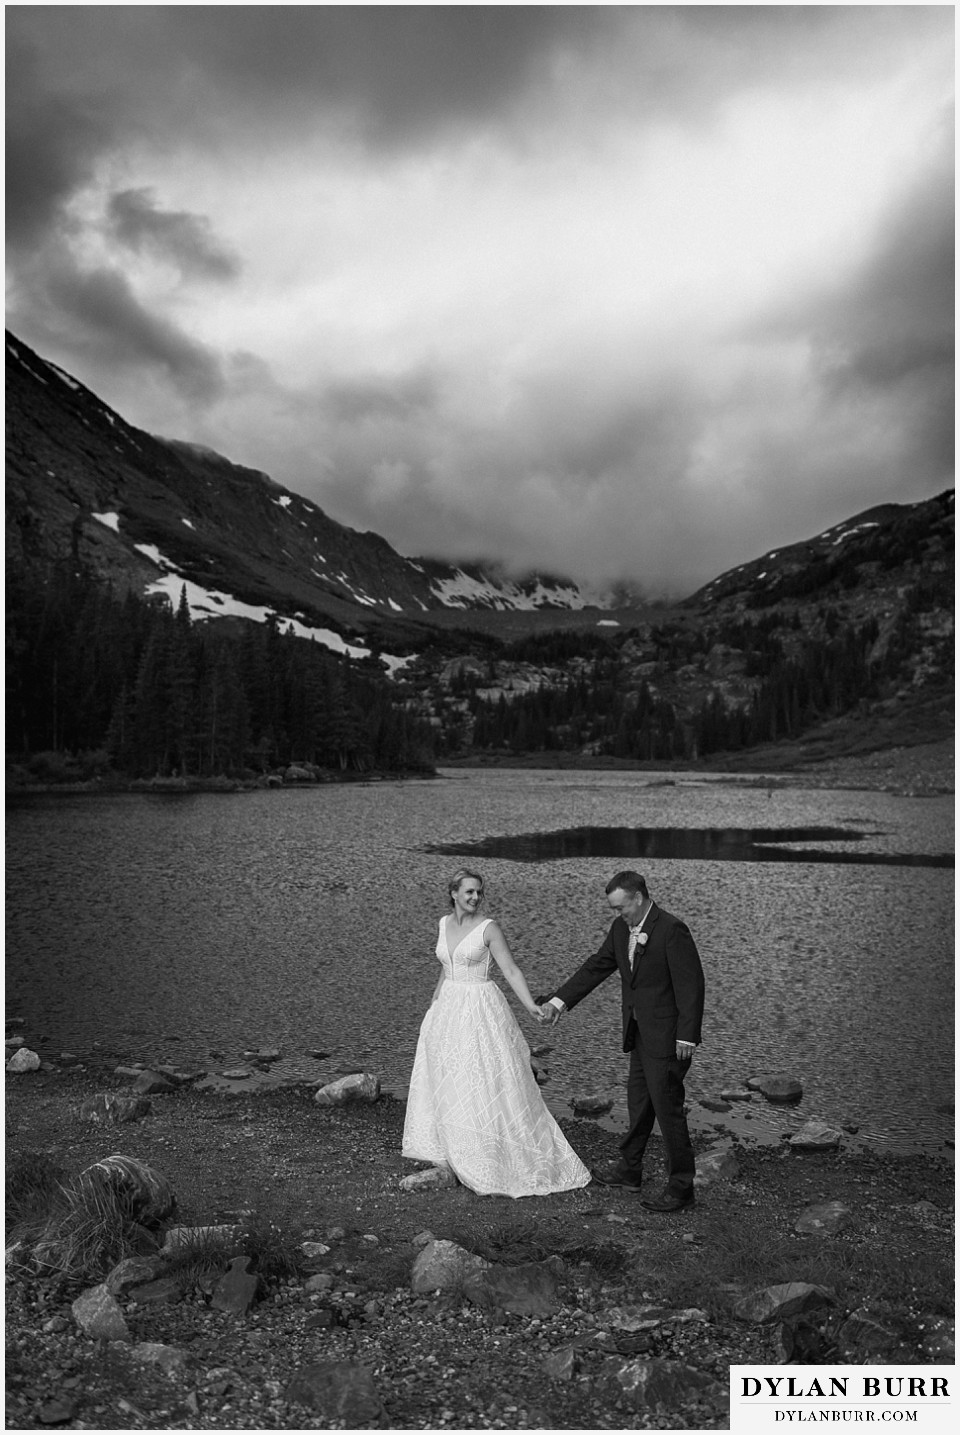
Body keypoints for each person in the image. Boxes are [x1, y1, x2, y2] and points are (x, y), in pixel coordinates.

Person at [401, 869, 591, 1198]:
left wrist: (532, 1005)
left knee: (482, 1075)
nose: (475, 898)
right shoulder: (443, 924)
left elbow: (511, 970)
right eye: (469, 892)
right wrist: (434, 1003)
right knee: (448, 1074)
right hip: (448, 1008)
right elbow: (446, 967)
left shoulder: (489, 929)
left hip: (480, 1007)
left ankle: (486, 1151)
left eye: (479, 892)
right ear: (453, 893)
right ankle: (451, 1145)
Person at [540, 870, 705, 1212]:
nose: (617, 915)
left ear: (639, 898)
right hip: (639, 1034)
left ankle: (681, 1188)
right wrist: (559, 1001)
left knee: (668, 1110)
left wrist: (687, 1035)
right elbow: (597, 966)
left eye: (620, 907)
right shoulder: (621, 929)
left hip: (669, 1038)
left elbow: (692, 986)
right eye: (613, 909)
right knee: (639, 1105)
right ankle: (630, 1171)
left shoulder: (671, 929)